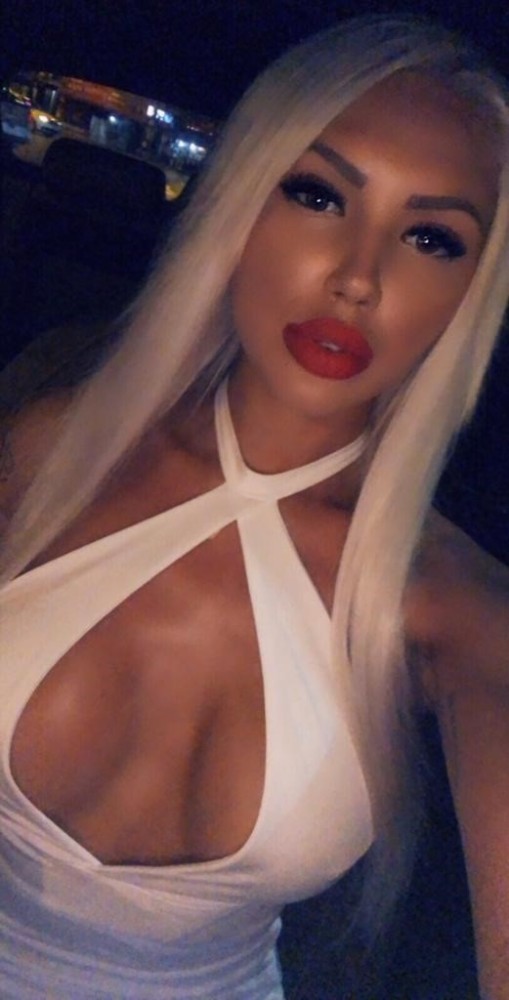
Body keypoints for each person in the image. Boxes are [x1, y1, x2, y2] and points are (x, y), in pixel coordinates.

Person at [1, 14, 509, 999]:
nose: (357, 277)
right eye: (317, 194)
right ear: (239, 201)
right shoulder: (50, 448)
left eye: (430, 238)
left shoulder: (450, 606)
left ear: (470, 297)